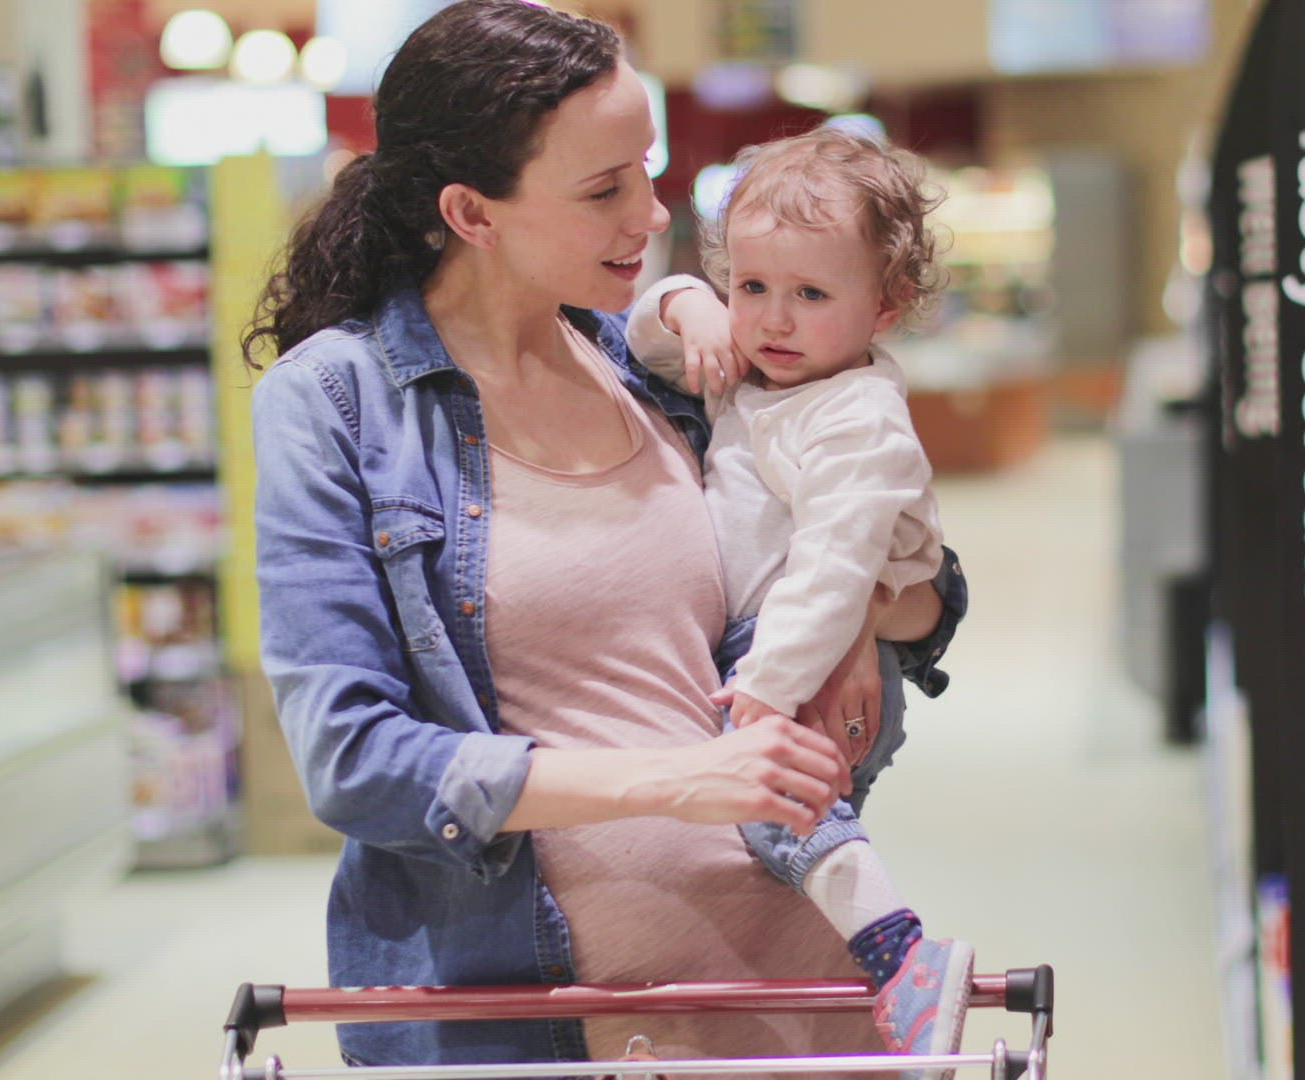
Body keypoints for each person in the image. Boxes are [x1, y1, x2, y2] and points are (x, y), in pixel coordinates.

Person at [241, 3, 968, 1076]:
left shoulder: (656, 370)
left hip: (798, 994)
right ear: (471, 213)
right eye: (603, 189)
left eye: (647, 170)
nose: (651, 212)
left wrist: (850, 607)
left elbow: (926, 585)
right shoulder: (339, 404)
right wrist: (674, 778)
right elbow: (354, 761)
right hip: (538, 1027)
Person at [624, 126, 974, 1064]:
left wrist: (770, 689)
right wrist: (688, 306)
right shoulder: (763, 373)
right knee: (781, 836)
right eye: (751, 287)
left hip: (796, 652)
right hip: (770, 644)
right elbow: (641, 341)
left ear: (886, 305)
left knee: (777, 809)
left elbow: (833, 568)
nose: (773, 320)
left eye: (811, 295)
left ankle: (904, 957)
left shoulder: (856, 418)